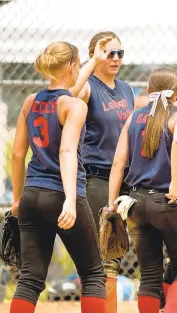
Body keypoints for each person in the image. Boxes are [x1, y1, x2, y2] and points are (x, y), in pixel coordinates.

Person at [10, 41, 106, 313]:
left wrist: (17, 198)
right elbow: (66, 150)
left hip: (31, 194)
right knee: (92, 274)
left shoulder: (31, 102)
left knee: (30, 279)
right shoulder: (75, 106)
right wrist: (71, 201)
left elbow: (18, 155)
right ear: (71, 67)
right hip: (61, 194)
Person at [108, 67, 177, 313]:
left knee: (149, 275)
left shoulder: (133, 117)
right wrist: (175, 182)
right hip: (167, 201)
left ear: (149, 91)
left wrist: (111, 202)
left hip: (135, 201)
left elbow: (118, 163)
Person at [74, 31, 136, 313]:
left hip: (127, 178)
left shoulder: (125, 88)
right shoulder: (90, 87)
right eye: (109, 53)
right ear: (95, 55)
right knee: (104, 256)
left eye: (119, 53)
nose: (115, 58)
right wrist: (90, 63)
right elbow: (68, 92)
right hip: (98, 177)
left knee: (126, 254)